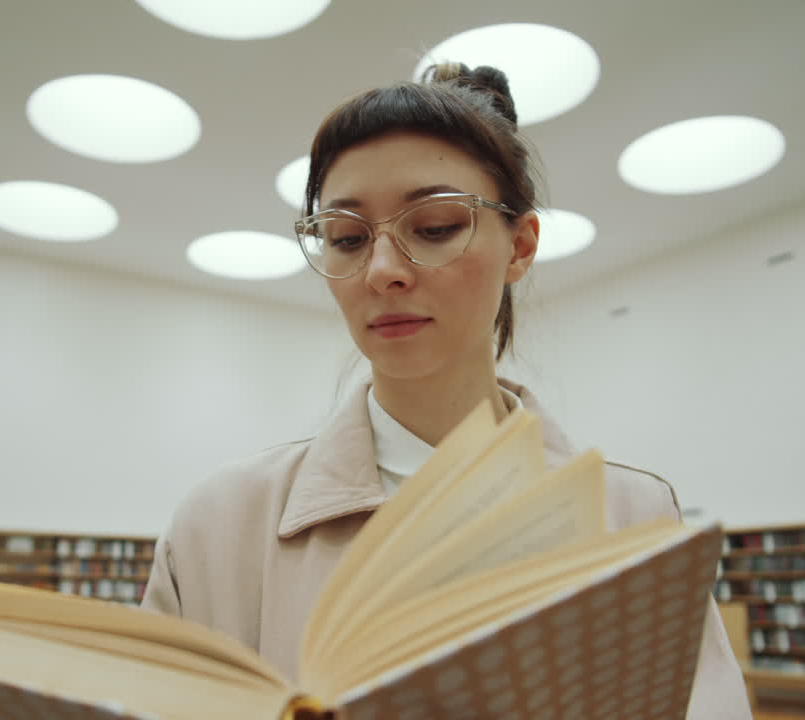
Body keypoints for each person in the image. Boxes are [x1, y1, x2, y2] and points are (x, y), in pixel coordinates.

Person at [141, 63, 752, 718]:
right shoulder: (219, 526)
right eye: (346, 238)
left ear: (519, 245)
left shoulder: (631, 515)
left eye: (433, 227)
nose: (381, 271)